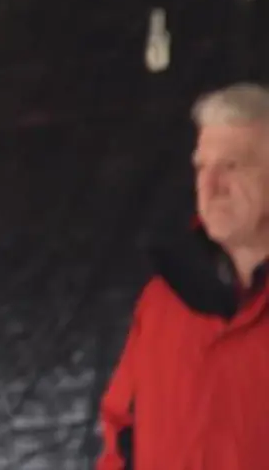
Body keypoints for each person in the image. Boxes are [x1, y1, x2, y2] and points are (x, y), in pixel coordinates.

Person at [95, 82, 269, 470]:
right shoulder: (162, 302)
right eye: (202, 167)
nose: (210, 186)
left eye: (232, 166)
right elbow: (121, 433)